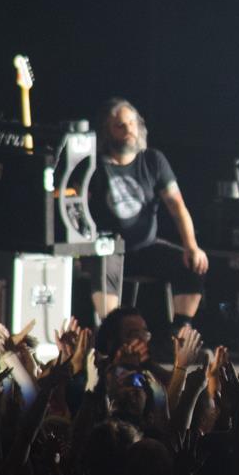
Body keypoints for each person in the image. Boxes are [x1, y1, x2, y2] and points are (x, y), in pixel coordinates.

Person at [87, 98, 209, 325]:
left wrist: (191, 246)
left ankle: (179, 334)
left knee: (192, 264)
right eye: (120, 126)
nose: (129, 130)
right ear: (107, 132)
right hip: (108, 250)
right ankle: (112, 333)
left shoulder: (153, 160)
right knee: (104, 264)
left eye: (132, 123)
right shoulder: (94, 166)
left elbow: (177, 206)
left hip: (146, 248)